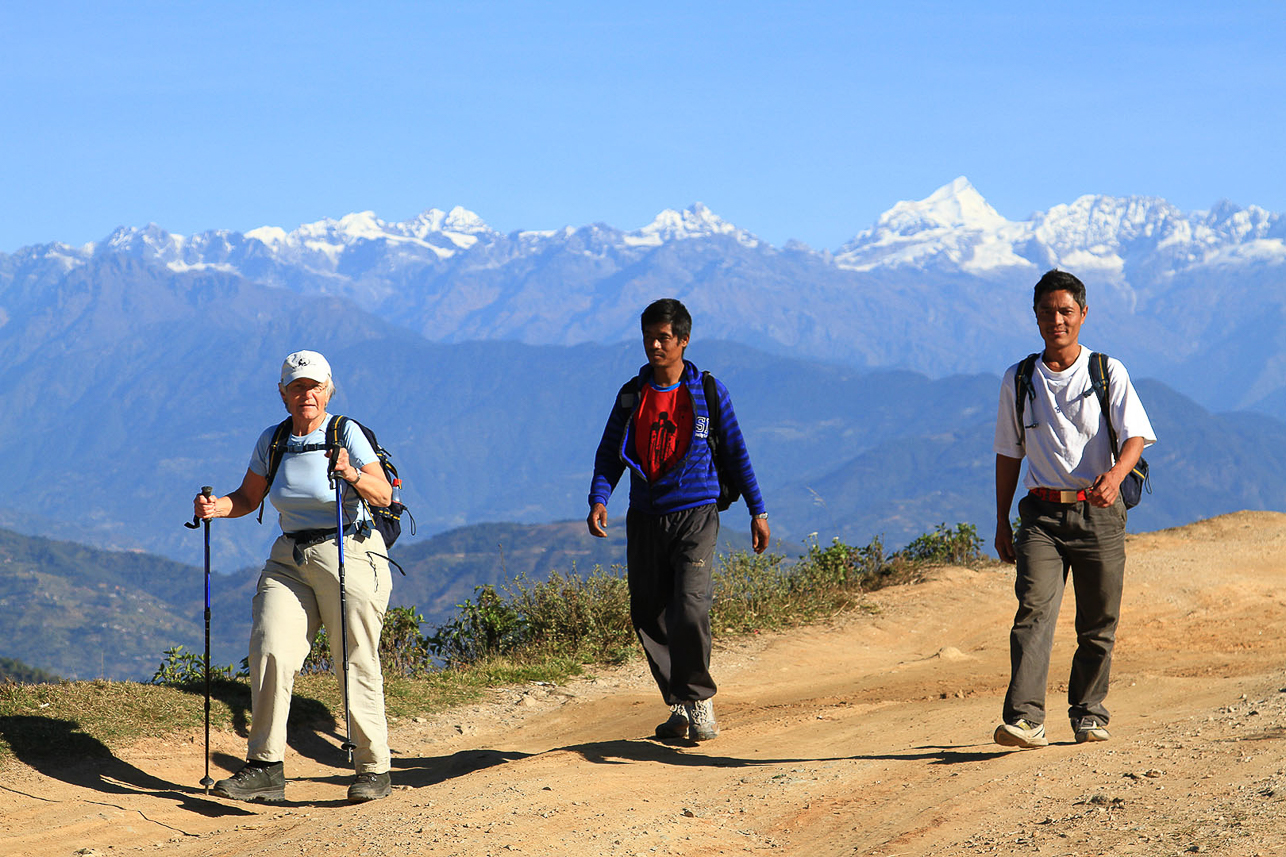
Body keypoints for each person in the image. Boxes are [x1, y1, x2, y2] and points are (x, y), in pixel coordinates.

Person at [194, 350, 395, 803]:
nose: (307, 395)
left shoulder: (347, 434)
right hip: (290, 557)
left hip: (351, 552)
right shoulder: (274, 439)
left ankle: (373, 768)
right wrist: (215, 508)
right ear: (283, 394)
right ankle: (265, 766)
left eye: (315, 387)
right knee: (269, 648)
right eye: (298, 387)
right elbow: (247, 497)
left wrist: (351, 473)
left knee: (354, 657)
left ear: (328, 391)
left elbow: (382, 494)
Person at [587, 298, 770, 742]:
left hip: (697, 514)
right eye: (649, 336)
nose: (654, 344)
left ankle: (699, 699)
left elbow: (736, 452)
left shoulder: (708, 393)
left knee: (690, 607)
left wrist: (757, 510)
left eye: (664, 337)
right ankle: (680, 704)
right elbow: (610, 453)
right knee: (648, 614)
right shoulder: (632, 395)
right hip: (646, 516)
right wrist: (599, 498)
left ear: (683, 341)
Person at [992, 270, 1156, 749]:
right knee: (1033, 612)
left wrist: (1117, 474)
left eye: (1066, 311)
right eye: (1047, 312)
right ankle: (1025, 719)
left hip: (1098, 514)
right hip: (1040, 516)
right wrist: (1001, 519)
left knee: (1098, 621)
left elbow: (1135, 437)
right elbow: (1008, 452)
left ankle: (1088, 712)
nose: (1056, 320)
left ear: (1084, 314)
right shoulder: (1019, 379)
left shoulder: (1107, 371)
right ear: (1035, 317)